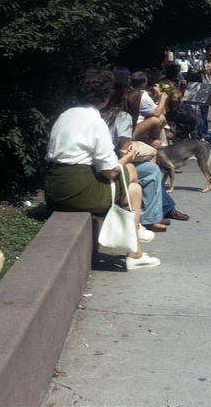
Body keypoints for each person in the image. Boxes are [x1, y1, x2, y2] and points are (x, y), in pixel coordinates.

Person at [45, 70, 160, 270]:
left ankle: (135, 235)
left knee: (132, 184)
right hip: (77, 191)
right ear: (105, 97)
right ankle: (134, 247)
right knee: (132, 180)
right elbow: (111, 172)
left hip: (54, 189)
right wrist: (127, 158)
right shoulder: (95, 121)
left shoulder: (65, 115)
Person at [103, 81, 175, 234]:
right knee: (151, 170)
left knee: (148, 167)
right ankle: (149, 218)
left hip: (106, 160)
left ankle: (156, 213)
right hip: (113, 164)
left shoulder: (107, 113)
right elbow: (124, 151)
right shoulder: (124, 117)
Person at [128, 71, 169, 148]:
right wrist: (162, 96)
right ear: (144, 82)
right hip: (133, 130)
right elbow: (160, 112)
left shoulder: (128, 91)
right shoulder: (142, 96)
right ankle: (162, 146)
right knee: (158, 119)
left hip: (129, 127)